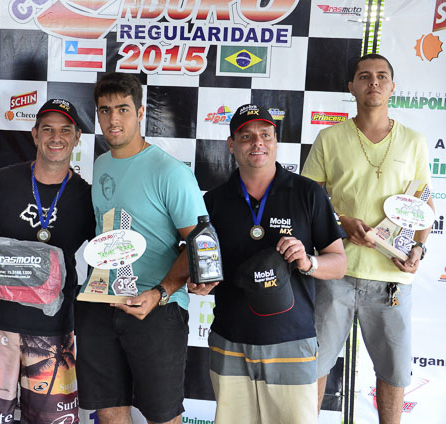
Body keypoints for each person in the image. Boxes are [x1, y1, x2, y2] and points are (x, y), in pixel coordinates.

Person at [193, 104, 346, 424]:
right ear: (231, 144)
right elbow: (202, 266)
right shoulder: (213, 201)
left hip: (292, 341)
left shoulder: (308, 193)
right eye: (246, 136)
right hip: (230, 341)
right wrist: (198, 284)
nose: (257, 143)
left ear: (276, 142)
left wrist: (308, 262)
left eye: (265, 135)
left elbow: (339, 264)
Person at [302, 53, 434, 424]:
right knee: (315, 366)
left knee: (394, 373)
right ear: (351, 87)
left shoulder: (413, 141)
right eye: (364, 76)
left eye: (381, 76)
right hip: (336, 272)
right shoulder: (330, 138)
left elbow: (424, 205)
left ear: (392, 87)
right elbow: (307, 201)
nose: (373, 82)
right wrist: (341, 222)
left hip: (391, 278)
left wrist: (418, 248)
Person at [75, 72, 207, 424]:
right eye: (105, 110)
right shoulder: (101, 164)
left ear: (140, 112)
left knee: (163, 417)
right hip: (101, 304)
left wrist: (160, 293)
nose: (113, 120)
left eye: (122, 109)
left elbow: (200, 245)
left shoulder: (170, 172)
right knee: (108, 411)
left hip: (155, 309)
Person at [0, 99, 95, 424]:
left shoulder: (87, 196)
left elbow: (103, 257)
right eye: (47, 129)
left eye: (65, 131)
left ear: (77, 138)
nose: (56, 138)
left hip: (53, 331)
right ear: (34, 134)